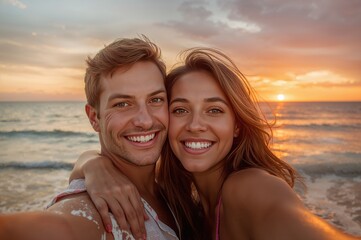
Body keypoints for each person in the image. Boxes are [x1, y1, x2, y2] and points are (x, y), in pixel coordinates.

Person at [72, 48, 361, 239]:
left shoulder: (249, 186)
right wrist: (92, 163)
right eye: (181, 110)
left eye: (214, 110)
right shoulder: (182, 202)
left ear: (237, 124)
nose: (196, 125)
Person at [0, 36, 181, 240]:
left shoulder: (175, 187)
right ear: (94, 117)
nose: (145, 120)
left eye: (155, 99)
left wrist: (89, 161)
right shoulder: (90, 210)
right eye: (122, 104)